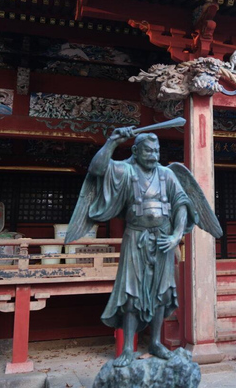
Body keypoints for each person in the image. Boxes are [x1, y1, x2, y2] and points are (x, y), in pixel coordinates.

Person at [65, 127, 199, 367]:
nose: (154, 155)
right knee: (130, 293)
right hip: (135, 238)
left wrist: (176, 236)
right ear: (136, 151)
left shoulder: (167, 175)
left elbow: (182, 204)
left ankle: (156, 343)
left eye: (157, 150)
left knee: (163, 292)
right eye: (148, 150)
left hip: (163, 240)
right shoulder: (125, 170)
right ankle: (128, 347)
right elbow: (97, 169)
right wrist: (112, 142)